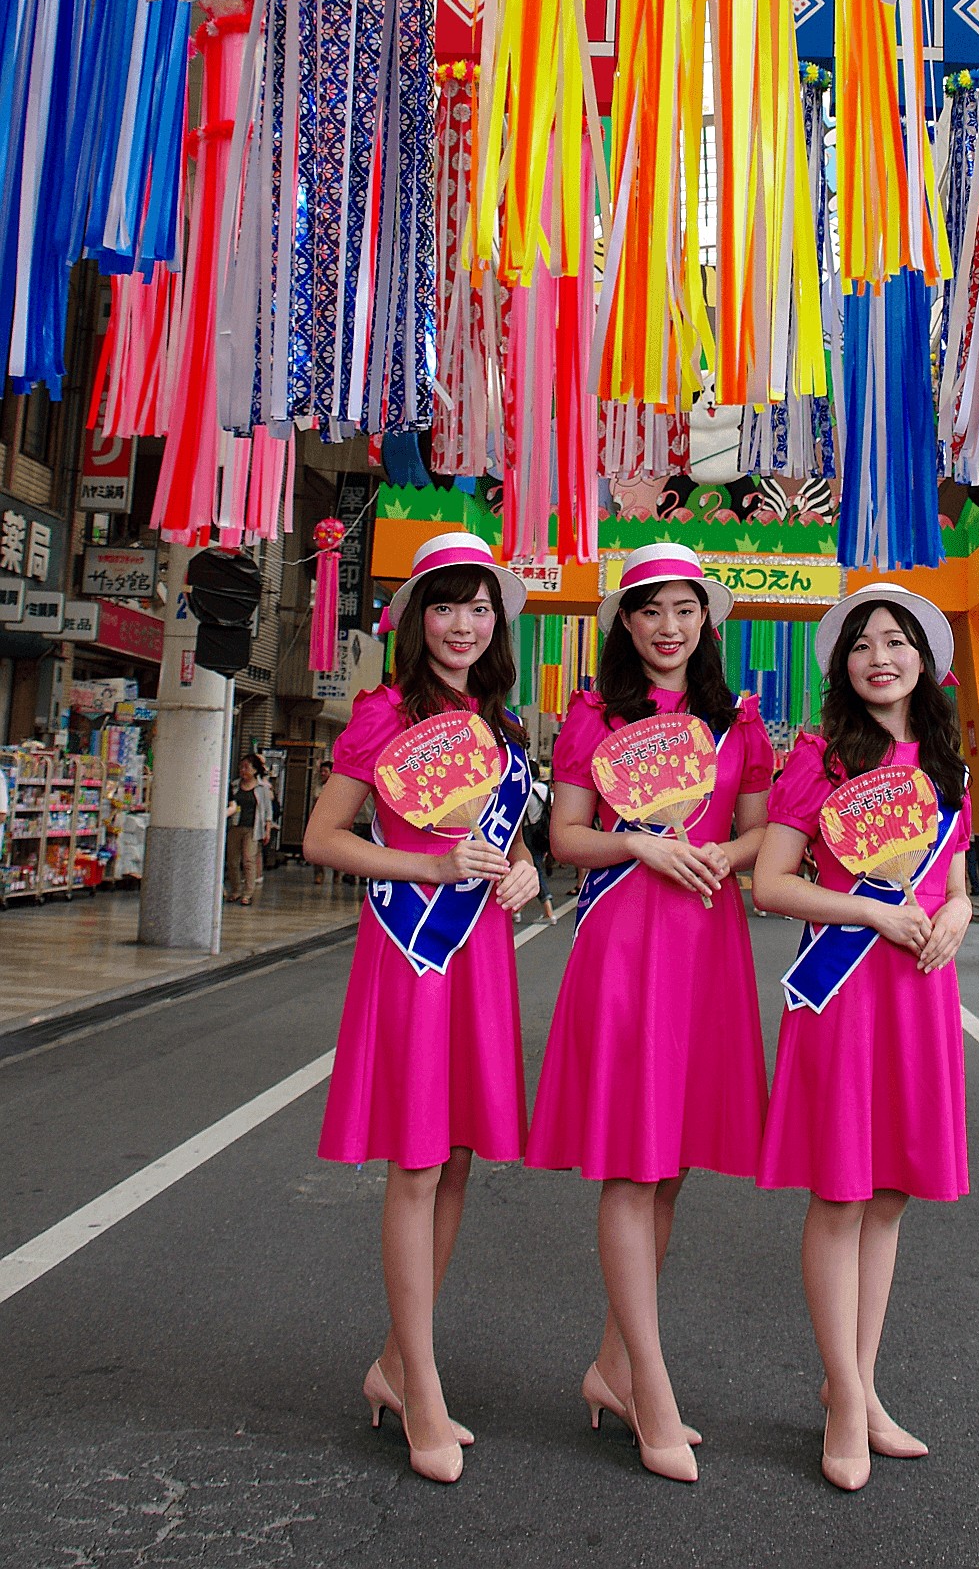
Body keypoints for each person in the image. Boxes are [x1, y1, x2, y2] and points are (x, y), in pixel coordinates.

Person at [526, 541, 772, 1485]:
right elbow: (566, 836)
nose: (668, 628)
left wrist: (722, 857)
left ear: (706, 622)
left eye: (684, 611)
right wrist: (639, 847)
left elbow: (761, 831)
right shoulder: (594, 715)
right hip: (626, 944)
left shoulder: (736, 720)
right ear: (623, 626)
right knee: (632, 1166)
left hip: (707, 945)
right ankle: (653, 1390)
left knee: (669, 1170)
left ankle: (613, 1367)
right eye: (649, 612)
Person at [304, 532, 540, 1485]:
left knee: (456, 1160)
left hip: (480, 952)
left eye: (479, 608)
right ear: (415, 620)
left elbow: (505, 845)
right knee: (414, 1160)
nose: (463, 624)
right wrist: (429, 864)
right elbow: (323, 837)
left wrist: (520, 867)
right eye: (446, 606)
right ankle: (423, 1388)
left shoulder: (501, 724)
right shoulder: (381, 715)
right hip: (410, 952)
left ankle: (397, 1365)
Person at [754, 583, 972, 1493]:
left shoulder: (945, 761)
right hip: (842, 990)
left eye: (896, 641)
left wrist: (959, 907)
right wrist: (867, 915)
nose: (879, 657)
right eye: (860, 645)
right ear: (841, 667)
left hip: (921, 990)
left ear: (923, 660)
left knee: (889, 1197)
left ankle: (861, 1385)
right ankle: (844, 1400)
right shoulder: (817, 759)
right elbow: (769, 884)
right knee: (840, 1195)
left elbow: (953, 876)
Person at [225, 756, 272, 905]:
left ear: (255, 770)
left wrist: (267, 830)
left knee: (248, 860)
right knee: (232, 861)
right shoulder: (234, 786)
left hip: (253, 828)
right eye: (241, 767)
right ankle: (236, 890)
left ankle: (248, 893)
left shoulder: (262, 788)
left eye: (246, 767)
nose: (242, 770)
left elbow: (267, 811)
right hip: (235, 826)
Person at [523, 765, 556, 921]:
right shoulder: (544, 788)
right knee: (534, 866)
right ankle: (516, 910)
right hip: (543, 830)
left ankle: (548, 909)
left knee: (534, 868)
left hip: (529, 832)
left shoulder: (526, 792)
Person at [313, 760, 335, 885]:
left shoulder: (336, 788)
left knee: (335, 850)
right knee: (317, 849)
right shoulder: (318, 785)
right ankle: (318, 874)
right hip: (319, 821)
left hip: (332, 822)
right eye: (321, 771)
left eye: (325, 771)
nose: (322, 774)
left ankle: (337, 873)